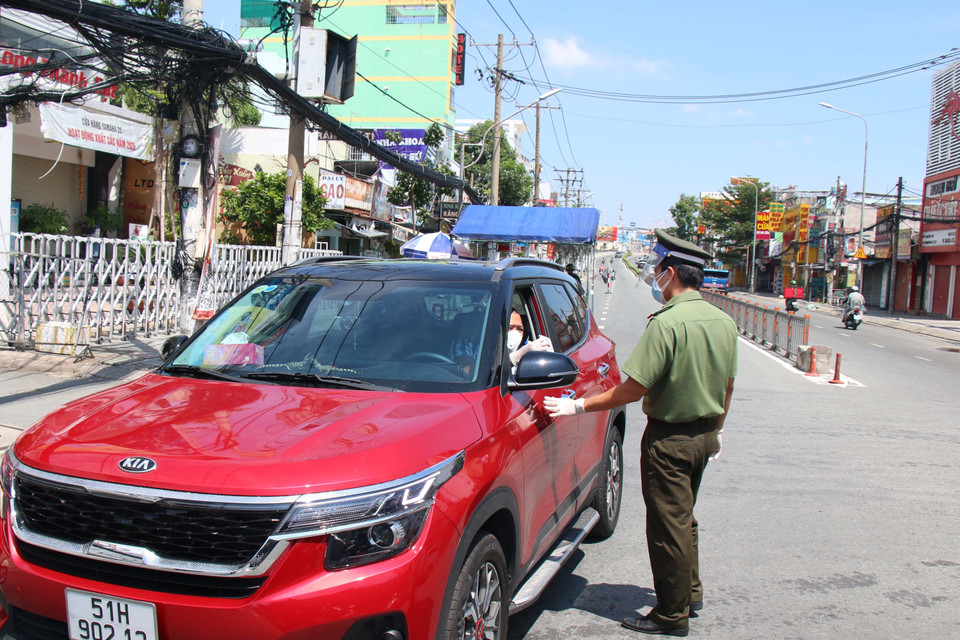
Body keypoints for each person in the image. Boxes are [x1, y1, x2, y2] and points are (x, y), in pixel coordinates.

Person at [543, 229, 738, 637]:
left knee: (667, 526)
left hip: (670, 439)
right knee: (683, 517)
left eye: (657, 270)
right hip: (704, 436)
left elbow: (634, 389)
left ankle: (671, 614)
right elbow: (728, 385)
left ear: (670, 273)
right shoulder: (722, 321)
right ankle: (691, 591)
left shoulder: (667, 324)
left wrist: (577, 404)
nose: (653, 277)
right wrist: (717, 429)